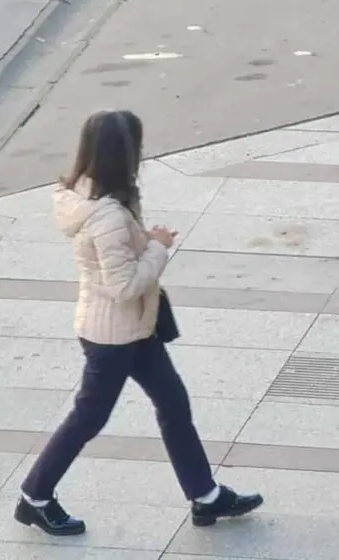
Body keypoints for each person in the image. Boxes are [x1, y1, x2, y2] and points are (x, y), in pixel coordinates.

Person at [15, 109, 263, 536]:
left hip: (135, 328)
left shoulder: (94, 193)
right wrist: (159, 248)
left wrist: (144, 242)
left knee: (173, 403)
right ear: (120, 154)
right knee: (89, 417)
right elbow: (125, 285)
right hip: (112, 335)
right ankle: (34, 497)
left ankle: (205, 497)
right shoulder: (107, 214)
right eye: (136, 147)